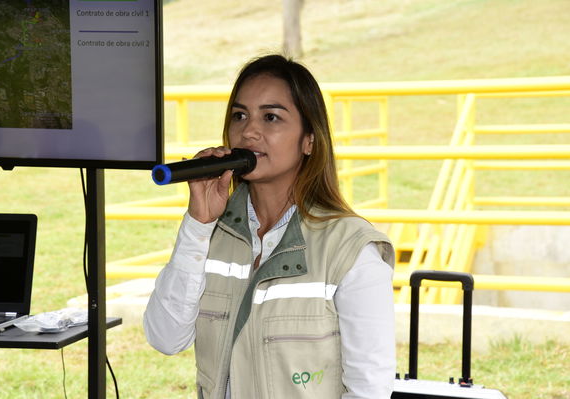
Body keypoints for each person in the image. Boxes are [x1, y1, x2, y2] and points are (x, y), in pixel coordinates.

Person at [144, 54, 396, 399]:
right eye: (240, 115)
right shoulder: (209, 234)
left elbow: (369, 391)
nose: (249, 131)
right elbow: (165, 337)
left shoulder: (350, 249)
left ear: (309, 140)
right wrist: (197, 225)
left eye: (271, 117)